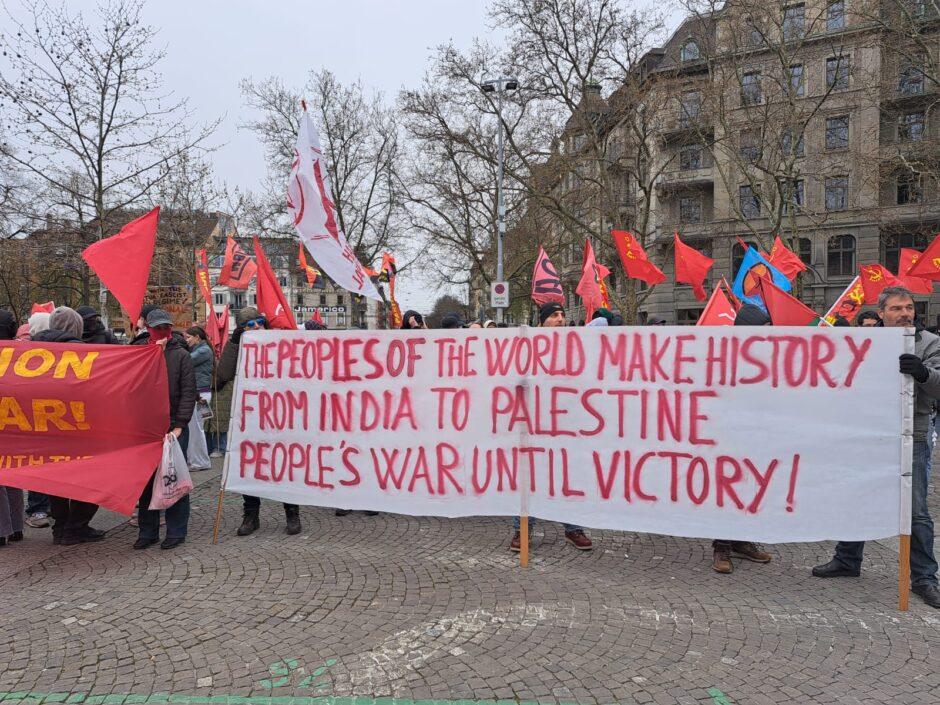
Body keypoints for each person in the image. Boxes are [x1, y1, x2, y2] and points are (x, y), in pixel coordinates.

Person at [813, 286, 940, 608]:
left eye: (909, 307)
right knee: (858, 497)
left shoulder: (929, 343)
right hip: (869, 433)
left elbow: (938, 385)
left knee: (916, 511)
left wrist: (923, 374)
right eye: (897, 308)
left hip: (913, 436)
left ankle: (924, 577)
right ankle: (847, 559)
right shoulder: (862, 344)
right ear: (881, 313)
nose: (905, 314)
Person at [509, 302, 593, 553]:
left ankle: (572, 529)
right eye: (554, 315)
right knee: (529, 480)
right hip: (534, 425)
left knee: (568, 478)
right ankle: (521, 530)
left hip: (567, 424)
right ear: (542, 321)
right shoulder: (527, 346)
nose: (560, 319)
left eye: (562, 315)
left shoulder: (574, 346)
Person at [216, 307, 302, 536]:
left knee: (284, 465)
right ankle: (251, 515)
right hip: (251, 417)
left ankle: (292, 513)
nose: (256, 328)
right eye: (249, 325)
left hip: (280, 417)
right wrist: (234, 344)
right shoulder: (238, 347)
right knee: (250, 468)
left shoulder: (280, 345)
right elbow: (222, 375)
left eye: (259, 322)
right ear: (242, 330)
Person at [32, 307, 105, 545]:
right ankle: (76, 526)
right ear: (76, 327)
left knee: (57, 480)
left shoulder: (31, 350)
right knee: (92, 479)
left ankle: (61, 528)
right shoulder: (81, 352)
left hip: (45, 428)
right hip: (78, 427)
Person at [709, 304, 774, 573]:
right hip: (728, 435)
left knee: (749, 488)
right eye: (764, 329)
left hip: (756, 433)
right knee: (728, 489)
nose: (769, 335)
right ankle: (721, 546)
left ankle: (741, 540)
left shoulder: (768, 356)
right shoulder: (725, 356)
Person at [133, 309, 197, 550]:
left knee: (174, 478)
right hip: (145, 428)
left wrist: (180, 425)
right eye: (157, 327)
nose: (162, 331)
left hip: (173, 428)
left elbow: (188, 392)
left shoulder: (180, 355)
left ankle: (176, 530)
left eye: (165, 327)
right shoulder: (138, 351)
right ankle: (147, 531)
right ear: (148, 329)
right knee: (146, 482)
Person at [22, 311, 53, 528]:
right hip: (47, 418)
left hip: (35, 419)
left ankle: (39, 508)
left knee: (39, 465)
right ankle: (41, 507)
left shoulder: (25, 352)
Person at [0, 310, 25, 547]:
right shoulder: (20, 352)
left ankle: (2, 530)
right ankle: (16, 526)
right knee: (13, 474)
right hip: (16, 420)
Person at [183, 326, 213, 471]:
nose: (187, 340)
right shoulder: (200, 350)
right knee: (196, 428)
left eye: (188, 337)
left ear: (197, 337)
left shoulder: (203, 351)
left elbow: (186, 360)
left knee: (196, 429)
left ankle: (200, 462)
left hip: (200, 394)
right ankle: (196, 460)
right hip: (201, 393)